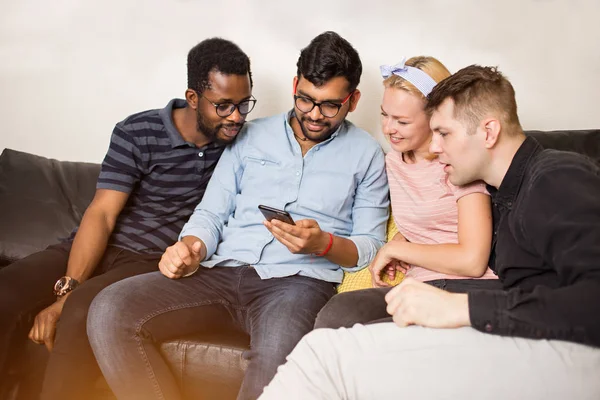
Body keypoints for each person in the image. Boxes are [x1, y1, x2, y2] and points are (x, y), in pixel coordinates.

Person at [259, 65, 600, 399]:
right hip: (526, 337)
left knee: (323, 357)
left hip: (566, 353)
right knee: (323, 350)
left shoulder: (555, 177)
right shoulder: (510, 192)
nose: (434, 148)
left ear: (489, 132)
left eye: (445, 134)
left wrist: (460, 308)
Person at [86, 31, 389, 400]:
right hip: (220, 270)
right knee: (109, 309)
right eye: (305, 99)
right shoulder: (250, 135)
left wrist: (323, 243)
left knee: (280, 363)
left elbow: (370, 246)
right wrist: (192, 245)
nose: (313, 114)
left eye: (329, 106)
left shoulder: (368, 155)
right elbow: (212, 211)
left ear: (353, 100)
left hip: (296, 283)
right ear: (295, 85)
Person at [0, 37, 254, 400]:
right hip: (96, 245)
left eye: (244, 103)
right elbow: (101, 215)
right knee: (5, 290)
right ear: (193, 97)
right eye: (224, 106)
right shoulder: (138, 131)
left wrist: (66, 305)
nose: (237, 117)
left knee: (80, 316)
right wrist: (66, 290)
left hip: (147, 262)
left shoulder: (243, 145)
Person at [315, 57, 501, 330]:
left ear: (435, 117)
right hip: (419, 286)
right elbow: (431, 221)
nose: (388, 129)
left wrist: (398, 249)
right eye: (384, 115)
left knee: (374, 336)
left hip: (469, 288)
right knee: (337, 317)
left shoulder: (459, 164)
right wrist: (402, 243)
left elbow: (472, 261)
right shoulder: (393, 162)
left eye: (401, 121)